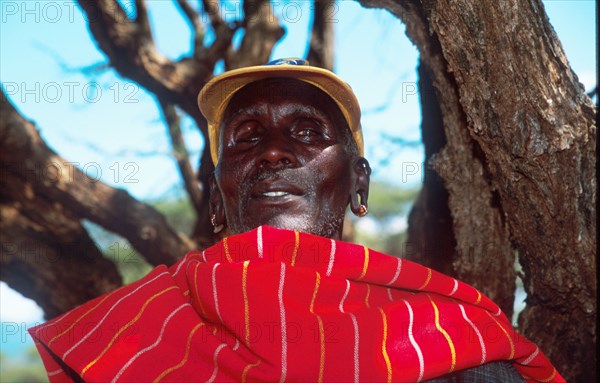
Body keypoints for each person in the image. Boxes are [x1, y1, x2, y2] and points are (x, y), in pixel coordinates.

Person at [29, 58, 563, 382]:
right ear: (216, 199)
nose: (274, 153)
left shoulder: (453, 337)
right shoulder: (125, 333)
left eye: (308, 132)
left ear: (359, 184)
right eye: (247, 136)